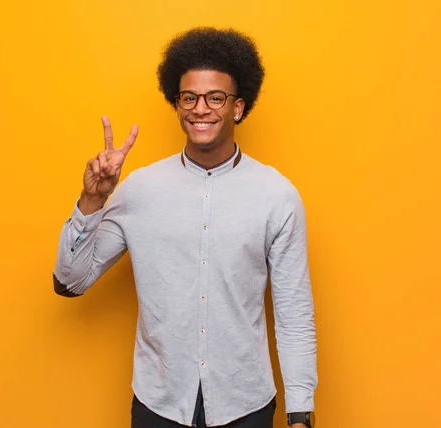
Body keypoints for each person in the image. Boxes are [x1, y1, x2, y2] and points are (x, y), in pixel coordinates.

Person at [53, 27, 317, 428]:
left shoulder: (276, 196)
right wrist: (93, 200)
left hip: (245, 403)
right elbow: (69, 282)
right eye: (188, 97)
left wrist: (301, 413)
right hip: (159, 403)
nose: (201, 109)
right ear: (176, 106)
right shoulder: (138, 189)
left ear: (238, 107)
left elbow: (294, 313)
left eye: (216, 97)